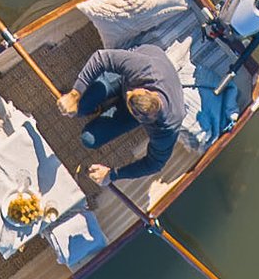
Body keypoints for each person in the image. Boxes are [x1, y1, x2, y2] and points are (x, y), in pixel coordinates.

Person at [58, 38, 184, 193]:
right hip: (126, 78)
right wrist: (75, 94)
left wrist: (113, 174)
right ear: (148, 91)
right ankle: (93, 103)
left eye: (130, 96)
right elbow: (101, 58)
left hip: (132, 107)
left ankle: (108, 106)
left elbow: (155, 163)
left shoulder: (166, 129)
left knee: (89, 139)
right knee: (79, 107)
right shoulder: (147, 69)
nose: (129, 93)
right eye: (132, 94)